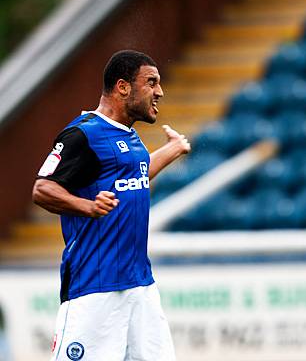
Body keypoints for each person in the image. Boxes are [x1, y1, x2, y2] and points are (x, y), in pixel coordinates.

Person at [32, 50, 191, 361]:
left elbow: (138, 175)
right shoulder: (83, 134)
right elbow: (43, 188)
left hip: (140, 286)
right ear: (123, 87)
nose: (159, 91)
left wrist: (171, 151)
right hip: (95, 287)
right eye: (151, 82)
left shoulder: (131, 138)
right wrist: (88, 206)